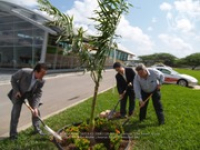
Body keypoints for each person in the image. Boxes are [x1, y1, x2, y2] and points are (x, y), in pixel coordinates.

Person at [8, 63, 47, 140]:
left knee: (36, 112)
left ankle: (37, 130)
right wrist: (16, 91)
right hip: (18, 94)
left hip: (30, 95)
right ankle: (13, 135)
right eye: (41, 74)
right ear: (36, 71)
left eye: (44, 75)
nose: (42, 77)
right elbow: (13, 78)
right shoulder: (24, 72)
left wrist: (35, 107)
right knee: (15, 114)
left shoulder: (41, 81)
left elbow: (38, 93)